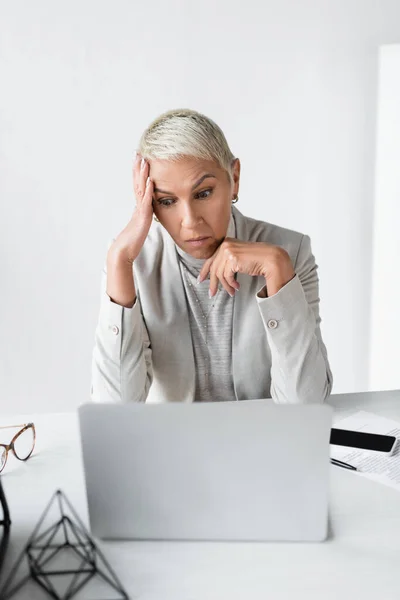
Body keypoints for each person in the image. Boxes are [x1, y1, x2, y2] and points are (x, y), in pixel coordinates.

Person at [91, 108, 333, 405]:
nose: (190, 221)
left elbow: (305, 405)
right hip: (175, 446)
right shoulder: (134, 264)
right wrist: (118, 260)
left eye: (203, 193)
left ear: (234, 177)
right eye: (167, 201)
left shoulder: (290, 251)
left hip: (263, 442)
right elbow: (114, 411)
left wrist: (278, 269)